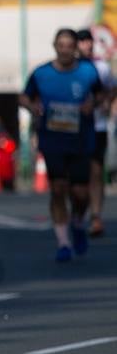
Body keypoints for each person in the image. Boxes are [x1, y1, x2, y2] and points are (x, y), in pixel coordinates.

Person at [21, 28, 103, 262]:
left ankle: (77, 222)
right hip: (52, 140)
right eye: (61, 45)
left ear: (75, 47)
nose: (65, 49)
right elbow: (24, 96)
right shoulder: (41, 73)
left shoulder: (88, 71)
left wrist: (93, 104)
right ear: (54, 46)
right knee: (57, 188)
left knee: (80, 192)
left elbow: (103, 94)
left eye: (69, 45)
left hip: (81, 139)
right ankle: (63, 242)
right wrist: (32, 107)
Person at [76, 29, 113, 236]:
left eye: (89, 42)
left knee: (96, 171)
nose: (87, 46)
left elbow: (111, 88)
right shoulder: (70, 69)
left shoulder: (102, 67)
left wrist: (105, 103)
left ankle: (96, 216)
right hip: (73, 129)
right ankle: (78, 213)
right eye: (82, 42)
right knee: (77, 176)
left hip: (97, 126)